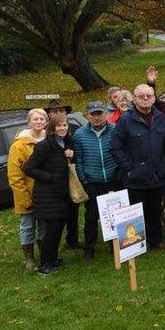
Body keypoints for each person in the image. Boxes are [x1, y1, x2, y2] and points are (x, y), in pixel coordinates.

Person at [111, 84, 165, 249]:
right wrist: (128, 168)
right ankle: (135, 244)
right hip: (135, 176)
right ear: (134, 99)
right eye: (141, 96)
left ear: (153, 98)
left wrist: (164, 165)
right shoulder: (125, 120)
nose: (145, 99)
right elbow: (115, 147)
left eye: (149, 96)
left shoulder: (160, 117)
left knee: (155, 210)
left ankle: (156, 241)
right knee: (136, 211)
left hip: (157, 173)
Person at [24, 115, 74, 274]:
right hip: (47, 195)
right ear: (52, 128)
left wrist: (72, 156)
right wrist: (49, 177)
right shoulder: (44, 146)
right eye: (58, 126)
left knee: (59, 227)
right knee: (50, 230)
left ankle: (53, 258)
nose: (62, 128)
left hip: (61, 193)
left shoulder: (66, 143)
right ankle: (44, 265)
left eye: (64, 125)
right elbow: (29, 168)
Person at [72, 101, 118, 260]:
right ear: (88, 116)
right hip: (92, 182)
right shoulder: (79, 134)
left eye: (100, 113)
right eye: (93, 114)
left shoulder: (114, 130)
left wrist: (117, 177)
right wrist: (84, 180)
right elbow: (79, 160)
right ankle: (89, 248)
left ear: (105, 114)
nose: (97, 117)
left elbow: (119, 153)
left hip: (112, 180)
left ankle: (115, 246)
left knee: (114, 215)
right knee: (91, 216)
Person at [7, 108, 48, 270]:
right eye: (35, 119)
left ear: (46, 122)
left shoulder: (48, 140)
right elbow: (14, 176)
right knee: (27, 226)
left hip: (45, 193)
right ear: (29, 122)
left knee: (44, 225)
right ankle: (29, 258)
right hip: (27, 193)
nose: (39, 122)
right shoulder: (19, 146)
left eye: (42, 119)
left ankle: (45, 254)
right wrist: (25, 198)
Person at [45, 99, 80, 248]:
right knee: (57, 216)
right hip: (53, 182)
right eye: (55, 111)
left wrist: (73, 155)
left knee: (74, 211)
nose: (59, 114)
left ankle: (72, 240)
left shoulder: (73, 129)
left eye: (61, 111)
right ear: (49, 114)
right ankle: (50, 247)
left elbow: (78, 152)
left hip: (71, 178)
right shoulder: (46, 132)